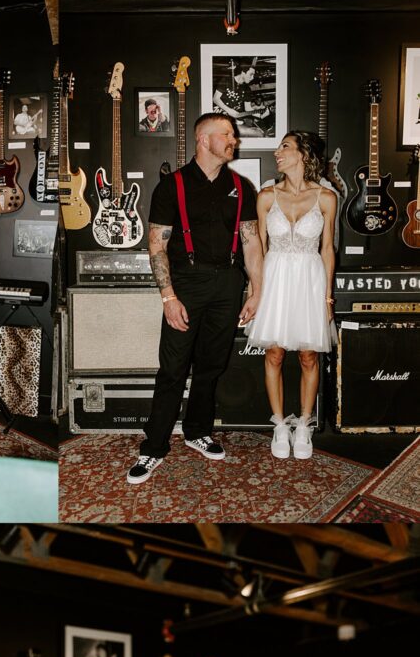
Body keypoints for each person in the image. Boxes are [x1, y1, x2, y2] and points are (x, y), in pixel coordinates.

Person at [127, 112, 263, 484]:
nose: (234, 139)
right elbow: (157, 246)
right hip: (185, 283)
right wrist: (168, 297)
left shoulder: (241, 186)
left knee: (211, 365)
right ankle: (153, 448)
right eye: (227, 134)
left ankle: (197, 431)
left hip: (228, 285)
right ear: (204, 140)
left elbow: (252, 244)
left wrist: (256, 290)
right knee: (172, 369)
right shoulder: (171, 186)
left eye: (233, 134)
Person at [243, 131, 337, 460]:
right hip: (276, 280)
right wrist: (253, 291)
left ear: (303, 154)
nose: (277, 151)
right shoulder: (266, 196)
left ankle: (304, 425)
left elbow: (327, 249)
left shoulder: (326, 198)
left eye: (285, 146)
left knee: (309, 356)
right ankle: (280, 425)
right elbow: (258, 249)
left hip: (310, 282)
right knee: (275, 355)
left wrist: (327, 298)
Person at [213, 61, 272, 138]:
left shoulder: (247, 89)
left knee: (259, 134)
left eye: (253, 75)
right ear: (243, 72)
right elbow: (216, 99)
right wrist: (230, 111)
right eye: (251, 74)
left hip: (235, 120)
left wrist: (261, 115)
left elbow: (248, 109)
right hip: (219, 116)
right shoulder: (226, 80)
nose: (252, 77)